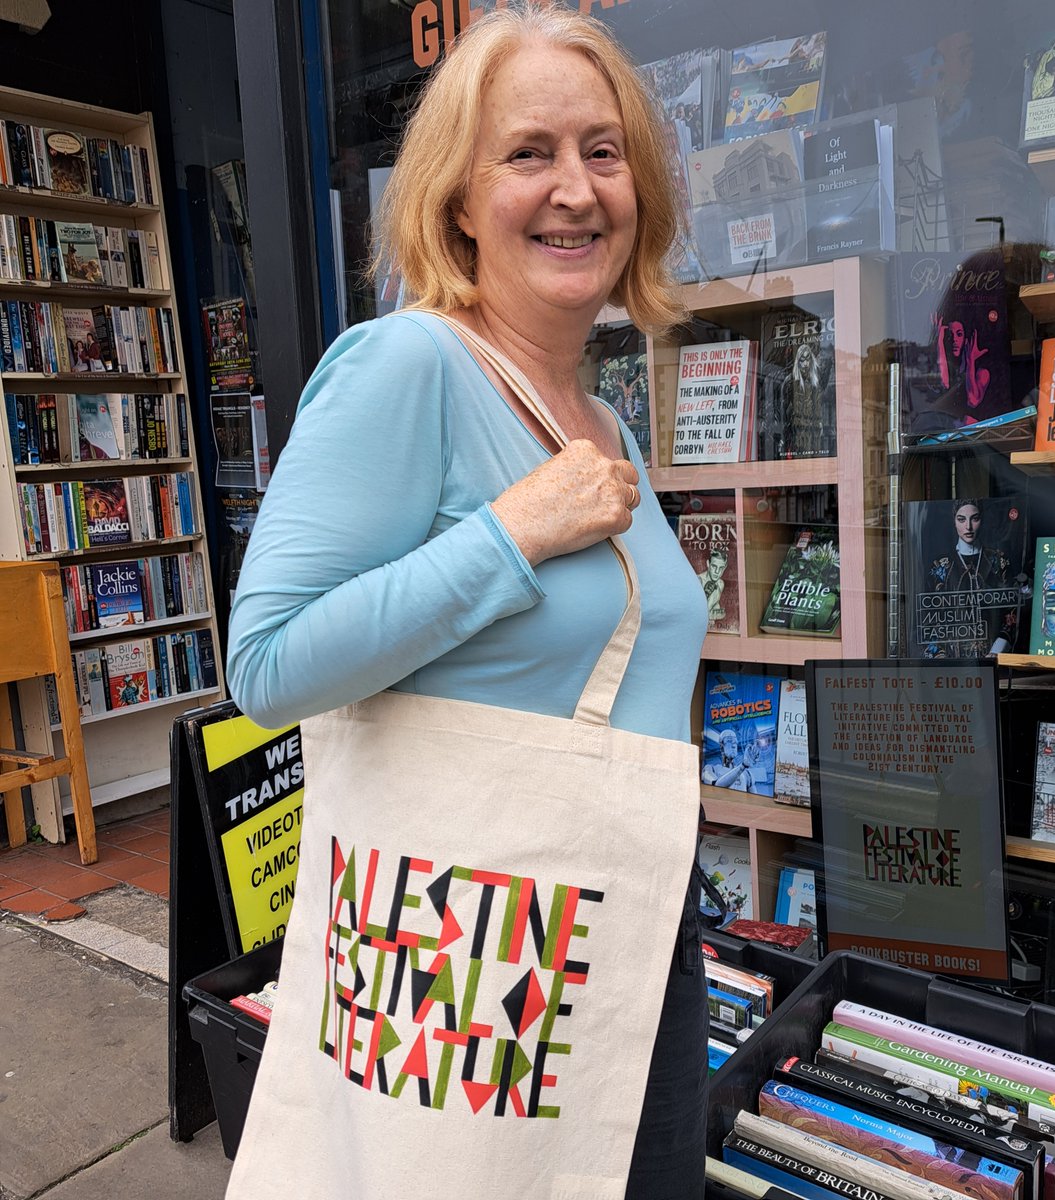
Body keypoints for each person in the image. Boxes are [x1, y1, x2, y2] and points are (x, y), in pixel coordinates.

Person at [224, 6, 708, 1197]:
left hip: (634, 924)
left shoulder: (604, 422)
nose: (575, 190)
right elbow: (268, 664)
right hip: (481, 947)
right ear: (456, 201)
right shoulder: (411, 366)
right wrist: (511, 534)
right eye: (528, 153)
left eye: (603, 152)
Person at [926, 499, 1016, 657]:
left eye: (975, 519)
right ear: (954, 522)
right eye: (961, 519)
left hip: (994, 657)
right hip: (952, 660)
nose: (968, 526)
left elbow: (1012, 614)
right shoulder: (941, 566)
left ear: (982, 521)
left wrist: (996, 651)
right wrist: (943, 658)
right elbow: (930, 619)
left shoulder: (998, 561)